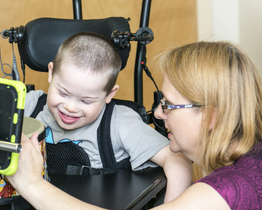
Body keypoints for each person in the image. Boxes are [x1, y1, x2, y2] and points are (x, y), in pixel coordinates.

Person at [8, 40, 262, 209]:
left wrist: (30, 182)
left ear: (210, 117)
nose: (159, 114)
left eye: (169, 105)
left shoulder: (221, 193)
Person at [21, 31, 192, 203]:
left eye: (86, 101)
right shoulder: (30, 106)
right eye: (63, 93)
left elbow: (178, 159)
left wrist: (171, 206)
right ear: (51, 72)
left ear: (110, 94)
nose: (70, 108)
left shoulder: (120, 123)